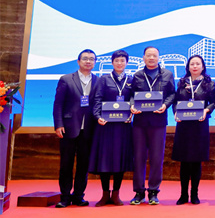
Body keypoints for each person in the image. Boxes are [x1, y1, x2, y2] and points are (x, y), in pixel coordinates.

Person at [129, 46, 175, 205]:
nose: (151, 58)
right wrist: (132, 105)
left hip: (158, 121)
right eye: (148, 55)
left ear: (158, 57)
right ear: (143, 58)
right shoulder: (137, 75)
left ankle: (154, 191)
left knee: (157, 158)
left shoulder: (167, 74)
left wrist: (165, 105)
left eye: (154, 55)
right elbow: (132, 95)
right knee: (138, 158)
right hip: (140, 122)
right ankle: (139, 192)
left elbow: (172, 94)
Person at [52, 49, 98, 208]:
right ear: (78, 61)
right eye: (85, 58)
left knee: (83, 165)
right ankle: (65, 197)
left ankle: (78, 196)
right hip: (68, 127)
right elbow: (58, 104)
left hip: (89, 129)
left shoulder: (98, 81)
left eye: (91, 59)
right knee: (66, 164)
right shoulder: (66, 79)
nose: (88, 61)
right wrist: (58, 124)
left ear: (95, 62)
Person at [89, 50, 133, 206]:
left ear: (126, 62)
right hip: (106, 125)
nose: (119, 63)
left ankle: (116, 194)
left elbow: (133, 99)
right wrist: (97, 116)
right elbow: (97, 99)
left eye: (122, 60)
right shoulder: (104, 79)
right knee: (105, 159)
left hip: (123, 126)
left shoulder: (131, 80)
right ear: (112, 62)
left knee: (120, 159)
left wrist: (131, 112)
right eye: (117, 60)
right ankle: (105, 194)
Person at [172, 54, 215, 205]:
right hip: (184, 125)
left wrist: (206, 110)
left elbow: (214, 102)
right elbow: (175, 102)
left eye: (198, 64)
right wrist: (175, 112)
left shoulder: (209, 84)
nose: (195, 66)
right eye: (192, 64)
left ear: (203, 67)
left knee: (197, 161)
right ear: (188, 67)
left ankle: (195, 194)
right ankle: (183, 195)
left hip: (200, 125)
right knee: (184, 162)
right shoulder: (182, 82)